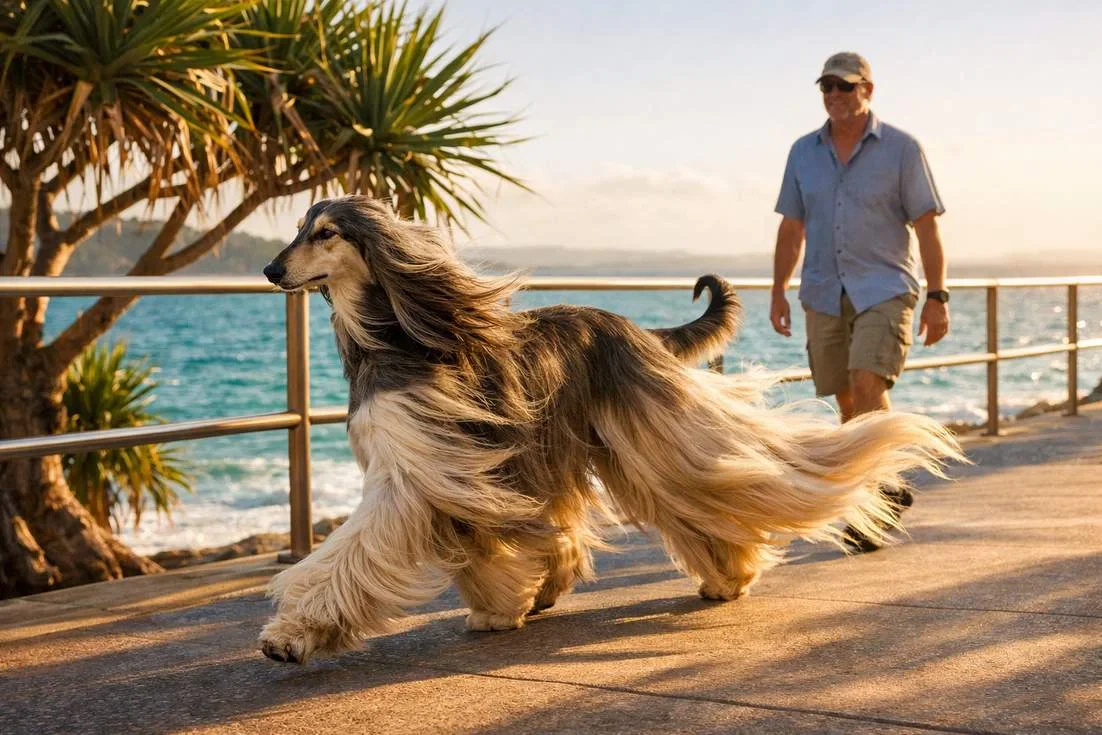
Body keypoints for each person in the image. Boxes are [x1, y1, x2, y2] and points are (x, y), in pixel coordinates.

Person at [770, 51, 950, 551]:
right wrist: (779, 290)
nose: (834, 95)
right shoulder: (803, 152)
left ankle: (877, 493)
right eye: (826, 86)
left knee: (866, 380)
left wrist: (937, 297)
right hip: (824, 290)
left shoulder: (901, 149)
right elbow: (791, 227)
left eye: (844, 86)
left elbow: (928, 228)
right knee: (846, 403)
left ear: (868, 89)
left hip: (884, 288)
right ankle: (880, 490)